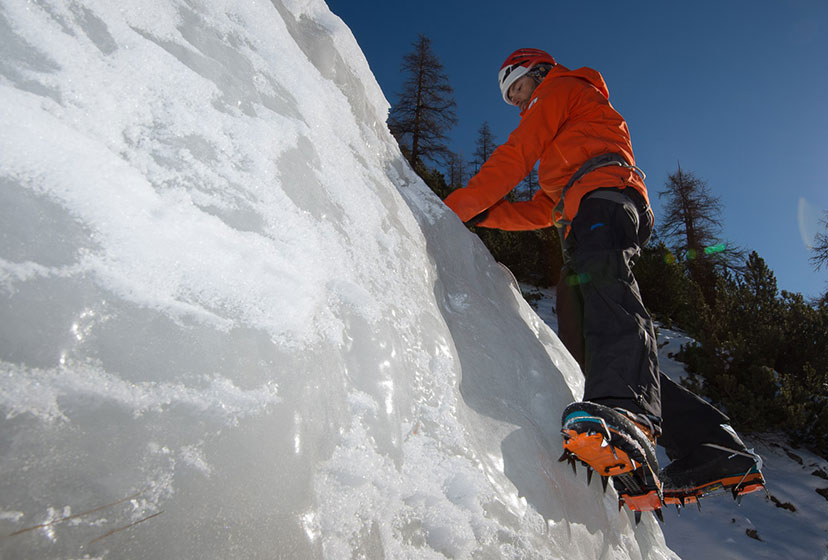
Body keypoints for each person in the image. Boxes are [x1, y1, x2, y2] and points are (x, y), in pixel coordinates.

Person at [444, 48, 765, 514]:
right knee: (585, 336)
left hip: (605, 199)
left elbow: (516, 154)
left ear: (538, 72)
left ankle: (626, 412)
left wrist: (453, 208)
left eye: (519, 89)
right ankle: (711, 448)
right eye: (512, 99)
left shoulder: (563, 89)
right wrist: (484, 216)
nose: (519, 102)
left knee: (607, 295)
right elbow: (543, 209)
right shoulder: (563, 141)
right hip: (583, 209)